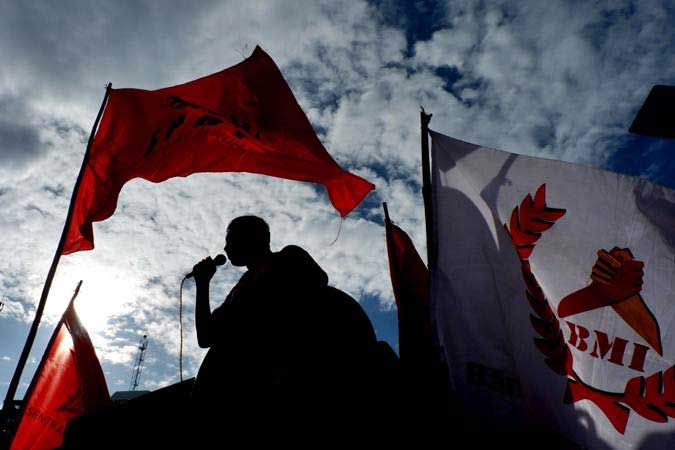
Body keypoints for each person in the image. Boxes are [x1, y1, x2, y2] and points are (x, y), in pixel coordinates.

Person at [189, 215, 382, 432]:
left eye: (231, 238)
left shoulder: (289, 257)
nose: (225, 247)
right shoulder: (239, 291)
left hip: (296, 376)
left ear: (254, 237)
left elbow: (315, 290)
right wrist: (203, 284)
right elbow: (206, 337)